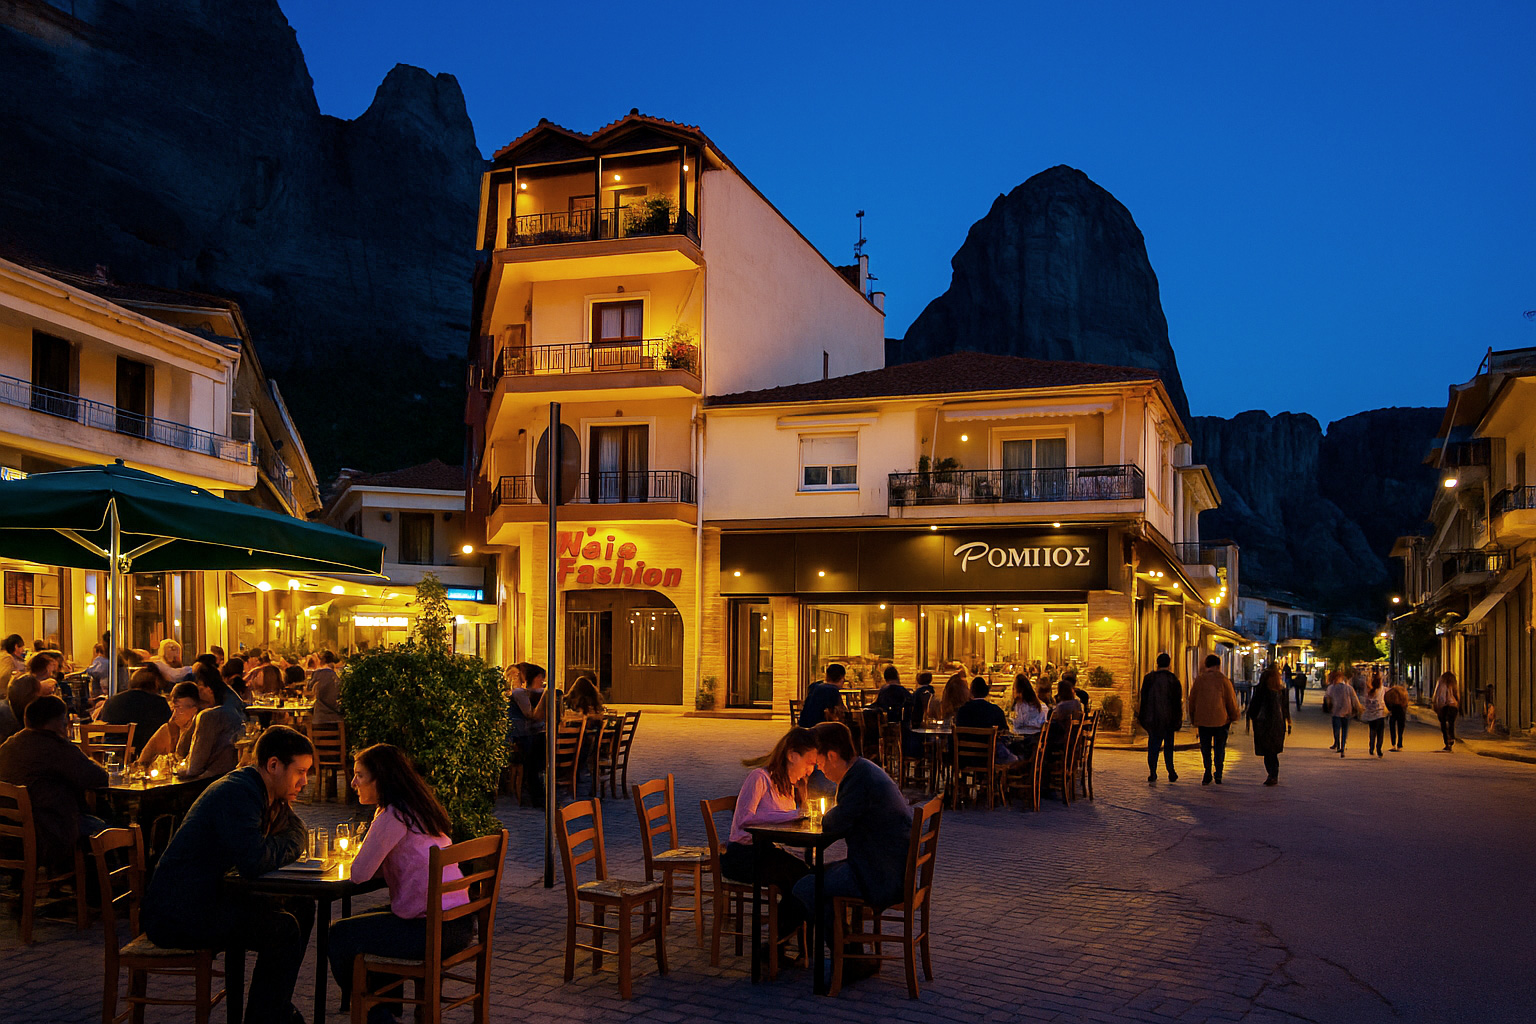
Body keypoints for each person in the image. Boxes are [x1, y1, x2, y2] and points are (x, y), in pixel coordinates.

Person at [144, 726, 313, 1024]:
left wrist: (291, 837)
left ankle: (274, 1009)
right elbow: (253, 860)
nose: (304, 781)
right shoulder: (239, 792)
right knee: (283, 928)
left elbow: (279, 838)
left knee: (302, 904)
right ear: (273, 765)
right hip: (178, 912)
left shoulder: (261, 791)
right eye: (300, 771)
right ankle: (266, 1016)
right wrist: (295, 840)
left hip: (211, 897)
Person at [329, 744, 472, 1022]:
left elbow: (359, 874)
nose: (353, 782)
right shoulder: (416, 808)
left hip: (430, 929)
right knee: (368, 928)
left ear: (380, 779)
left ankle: (377, 1013)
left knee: (340, 935)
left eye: (360, 775)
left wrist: (356, 858)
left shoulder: (393, 816)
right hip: (458, 923)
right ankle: (386, 1013)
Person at [792, 722, 913, 978]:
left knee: (806, 887)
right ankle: (851, 954)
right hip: (888, 866)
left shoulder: (858, 781)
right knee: (815, 876)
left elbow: (836, 823)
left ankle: (846, 959)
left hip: (879, 875)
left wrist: (823, 815)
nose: (819, 770)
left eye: (820, 763)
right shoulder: (865, 770)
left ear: (832, 756)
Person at [721, 727, 818, 958]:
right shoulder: (760, 778)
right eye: (809, 762)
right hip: (743, 855)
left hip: (767, 852)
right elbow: (745, 820)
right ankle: (774, 946)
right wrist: (794, 816)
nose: (810, 770)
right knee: (803, 880)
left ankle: (776, 945)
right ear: (792, 755)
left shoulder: (788, 787)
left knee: (806, 879)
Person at [0, 694, 108, 869]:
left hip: (7, 838)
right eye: (64, 723)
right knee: (105, 829)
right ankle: (102, 891)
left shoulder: (8, 746)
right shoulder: (55, 746)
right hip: (47, 836)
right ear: (58, 722)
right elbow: (100, 778)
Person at [182, 662, 246, 779]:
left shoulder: (209, 716)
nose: (199, 695)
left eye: (199, 688)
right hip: (233, 777)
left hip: (210, 781)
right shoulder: (238, 708)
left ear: (208, 689)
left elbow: (194, 767)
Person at [1188, 654, 1239, 785]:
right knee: (1219, 748)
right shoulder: (1223, 680)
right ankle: (1219, 773)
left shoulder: (1200, 680)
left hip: (1203, 720)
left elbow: (1192, 700)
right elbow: (1230, 700)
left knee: (1205, 748)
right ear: (1218, 665)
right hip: (1221, 720)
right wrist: (1234, 716)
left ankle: (1207, 772)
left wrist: (1193, 717)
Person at [99, 667, 172, 757]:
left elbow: (103, 722)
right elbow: (168, 726)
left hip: (113, 753)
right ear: (155, 684)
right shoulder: (158, 702)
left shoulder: (113, 700)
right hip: (147, 753)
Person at [1138, 653, 1183, 784]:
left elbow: (1144, 699)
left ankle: (1153, 772)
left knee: (1153, 746)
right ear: (1169, 664)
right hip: (1169, 719)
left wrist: (1143, 717)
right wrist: (1177, 719)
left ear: (1157, 663)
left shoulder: (1149, 679)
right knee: (1169, 747)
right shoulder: (1173, 680)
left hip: (1153, 719)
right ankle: (1171, 771)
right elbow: (1177, 703)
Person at [136, 682, 203, 766]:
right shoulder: (168, 730)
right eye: (174, 708)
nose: (174, 714)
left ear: (195, 709)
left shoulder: (203, 730)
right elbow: (143, 761)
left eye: (179, 708)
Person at [508, 662, 548, 804]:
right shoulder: (519, 693)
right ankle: (538, 794)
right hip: (518, 739)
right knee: (538, 744)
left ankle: (536, 791)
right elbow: (532, 715)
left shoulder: (524, 693)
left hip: (524, 736)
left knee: (539, 742)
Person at [1245, 665, 1291, 785]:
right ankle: (1273, 774)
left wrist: (1251, 717)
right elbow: (1285, 709)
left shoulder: (1261, 691)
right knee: (1272, 752)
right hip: (1277, 726)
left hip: (1263, 725)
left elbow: (1253, 707)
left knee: (1267, 752)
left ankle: (1272, 774)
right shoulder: (1281, 691)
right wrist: (1288, 722)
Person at [953, 677, 1017, 764]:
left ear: (971, 692)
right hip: (990, 756)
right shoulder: (996, 710)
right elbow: (1004, 731)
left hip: (966, 757)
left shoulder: (962, 711)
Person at [1325, 670, 1361, 757]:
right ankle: (1342, 746)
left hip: (1336, 711)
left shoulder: (1331, 688)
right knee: (1345, 730)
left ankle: (1338, 745)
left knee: (1336, 729)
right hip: (1347, 711)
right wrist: (1358, 708)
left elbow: (1327, 698)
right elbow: (1354, 699)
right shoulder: (1349, 688)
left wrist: (1328, 707)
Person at [1008, 674, 1048, 755]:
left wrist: (1011, 720)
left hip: (1025, 741)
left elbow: (1019, 723)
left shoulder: (1021, 705)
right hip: (1037, 739)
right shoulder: (1041, 705)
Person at [798, 663, 847, 727]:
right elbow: (836, 713)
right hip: (818, 728)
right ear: (842, 678)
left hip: (804, 726)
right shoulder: (832, 690)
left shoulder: (814, 686)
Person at [310, 650, 343, 725]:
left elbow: (309, 691)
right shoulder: (338, 674)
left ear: (323, 659)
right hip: (337, 719)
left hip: (320, 719)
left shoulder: (318, 674)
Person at [1361, 671, 1389, 758]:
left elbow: (1365, 703)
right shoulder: (1382, 689)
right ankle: (1379, 750)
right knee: (1380, 733)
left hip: (1371, 716)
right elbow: (1390, 690)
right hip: (1380, 715)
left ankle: (1371, 747)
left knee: (1372, 732)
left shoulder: (1370, 692)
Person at [1432, 671, 1460, 752]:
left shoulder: (1440, 683)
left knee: (1443, 725)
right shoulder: (1453, 684)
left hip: (1443, 706)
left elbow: (1437, 694)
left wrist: (1435, 704)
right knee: (1451, 723)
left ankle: (1447, 742)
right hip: (1452, 705)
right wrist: (1458, 704)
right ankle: (1451, 739)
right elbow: (1456, 695)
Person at [1385, 677, 1410, 751]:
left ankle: (1393, 744)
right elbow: (1406, 703)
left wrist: (1389, 710)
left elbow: (1386, 701)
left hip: (1393, 711)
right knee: (1400, 728)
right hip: (1402, 711)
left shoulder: (1390, 693)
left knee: (1392, 728)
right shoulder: (1404, 693)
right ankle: (1400, 745)